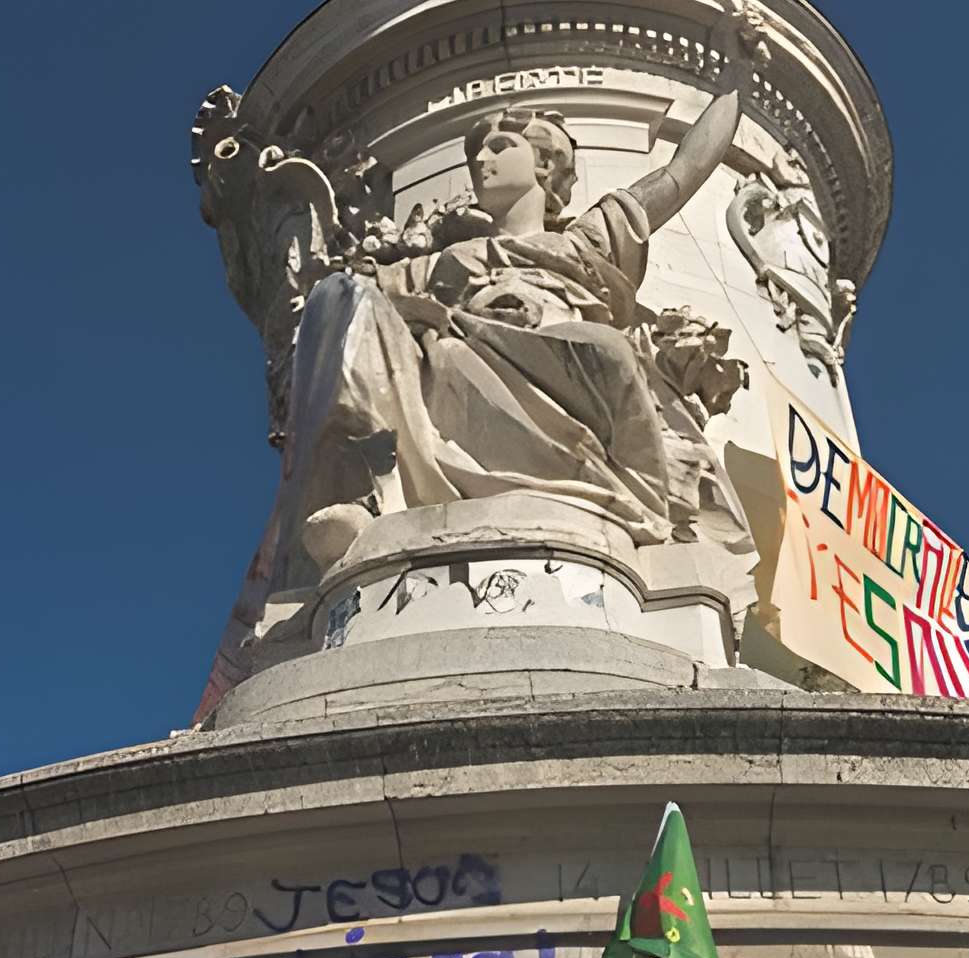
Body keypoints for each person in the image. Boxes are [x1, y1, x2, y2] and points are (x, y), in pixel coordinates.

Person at [276, 46, 749, 581]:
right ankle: (375, 494)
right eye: (477, 152)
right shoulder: (441, 262)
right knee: (357, 308)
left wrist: (739, 82)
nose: (480, 161)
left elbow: (683, 171)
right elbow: (358, 316)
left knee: (607, 350)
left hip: (561, 357)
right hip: (455, 358)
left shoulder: (585, 242)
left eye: (500, 146)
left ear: (546, 164)